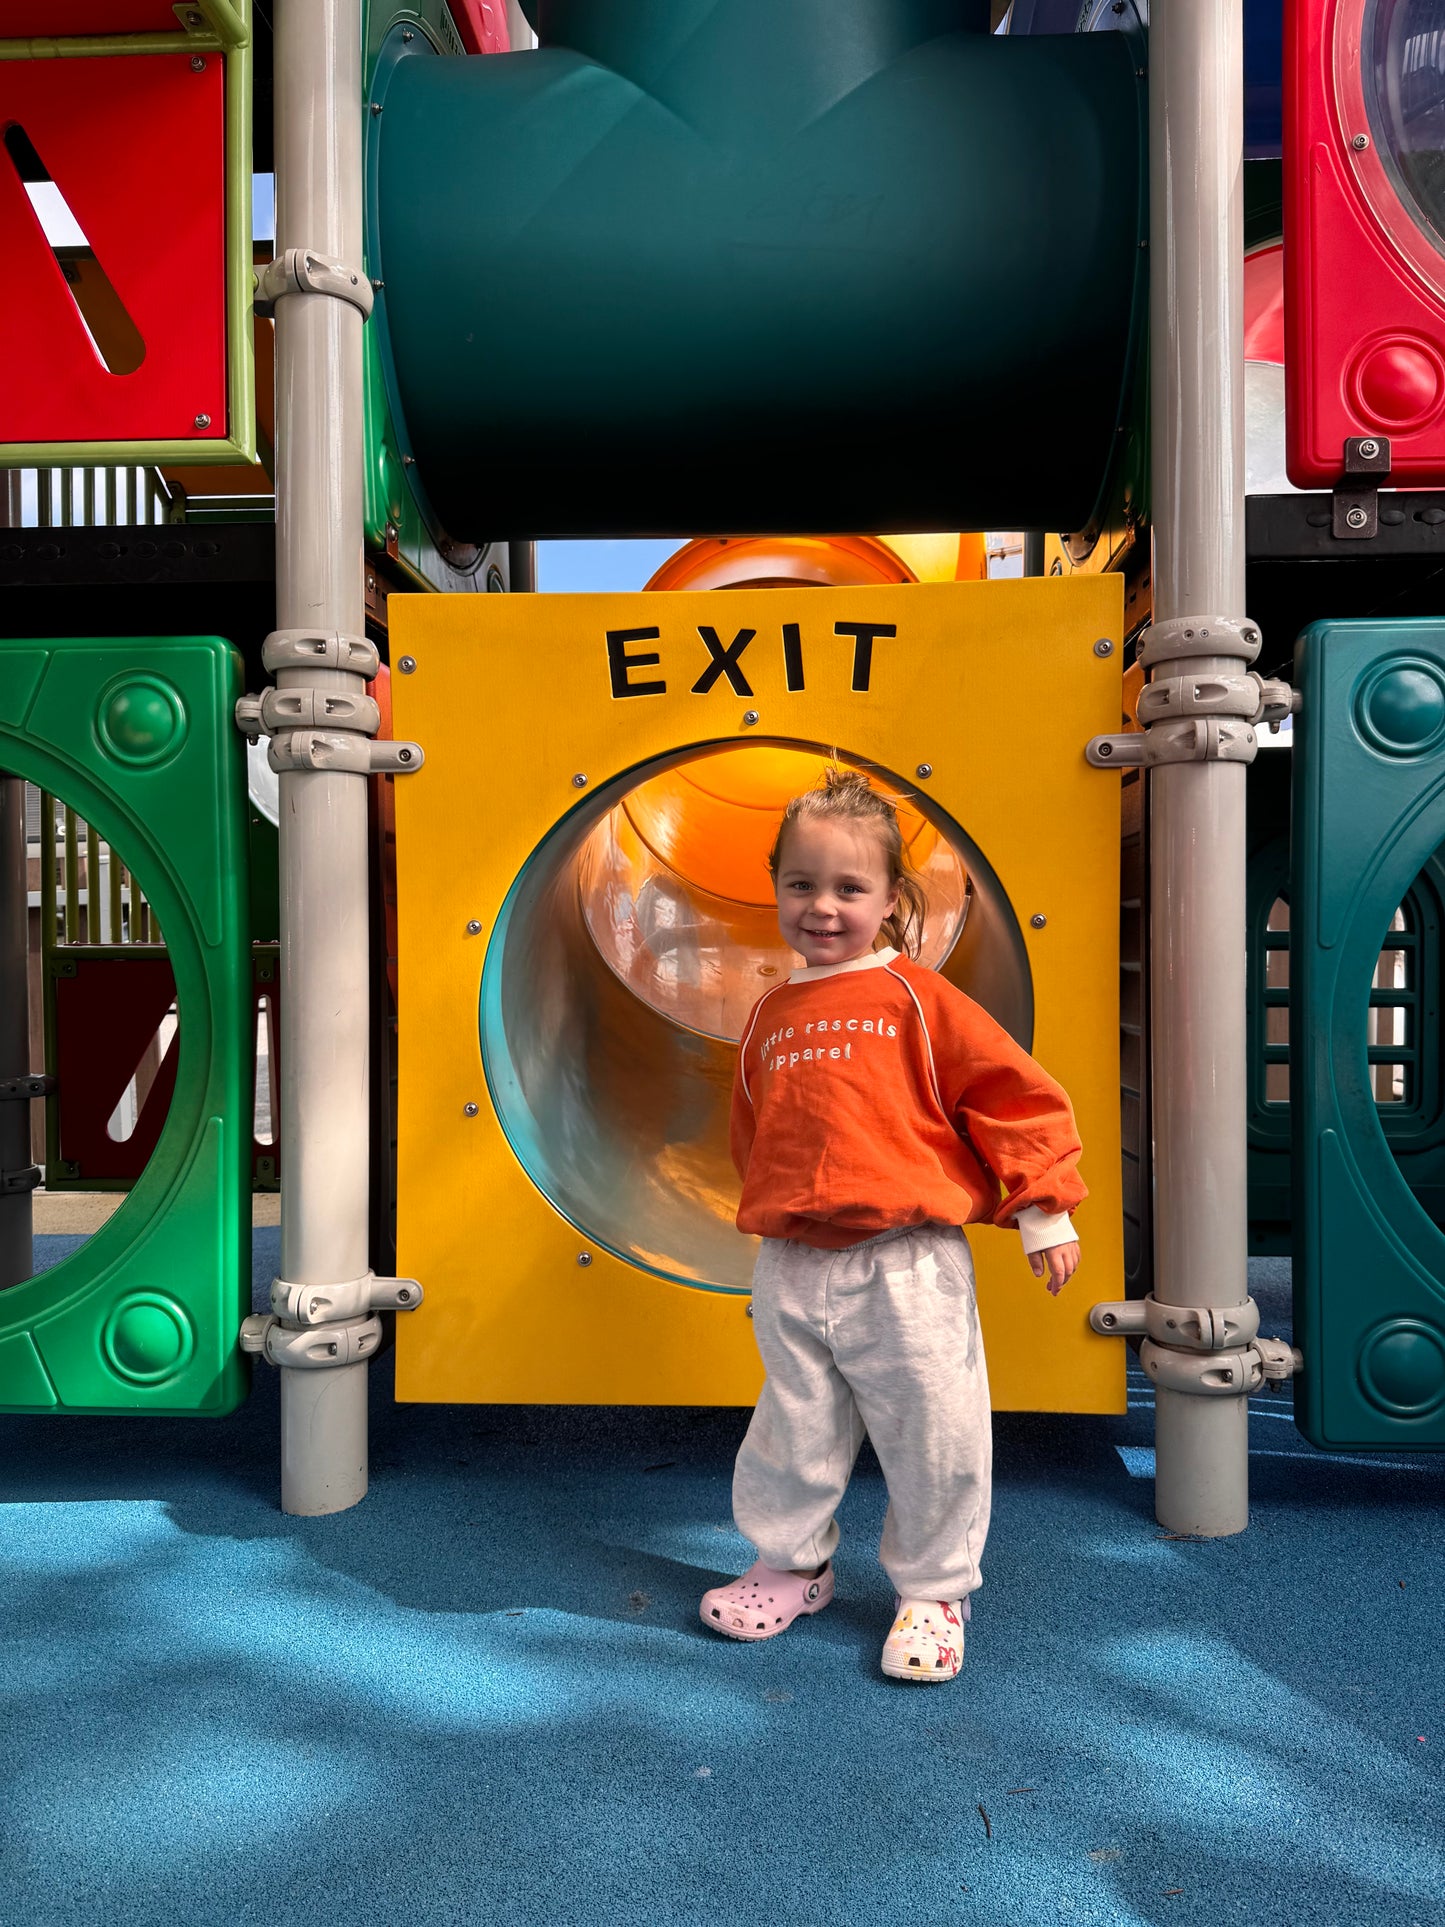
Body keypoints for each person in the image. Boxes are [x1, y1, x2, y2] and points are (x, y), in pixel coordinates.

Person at [700, 767, 1084, 1683]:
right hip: (793, 1260)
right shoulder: (769, 1010)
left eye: (848, 887)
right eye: (801, 883)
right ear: (775, 884)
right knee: (792, 1422)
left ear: (890, 897)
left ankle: (934, 1589)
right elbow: (753, 1127)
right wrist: (770, 1208)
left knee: (933, 1426)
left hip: (905, 1260)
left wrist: (1041, 1211)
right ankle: (790, 1563)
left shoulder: (913, 996)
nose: (821, 906)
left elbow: (1007, 1095)